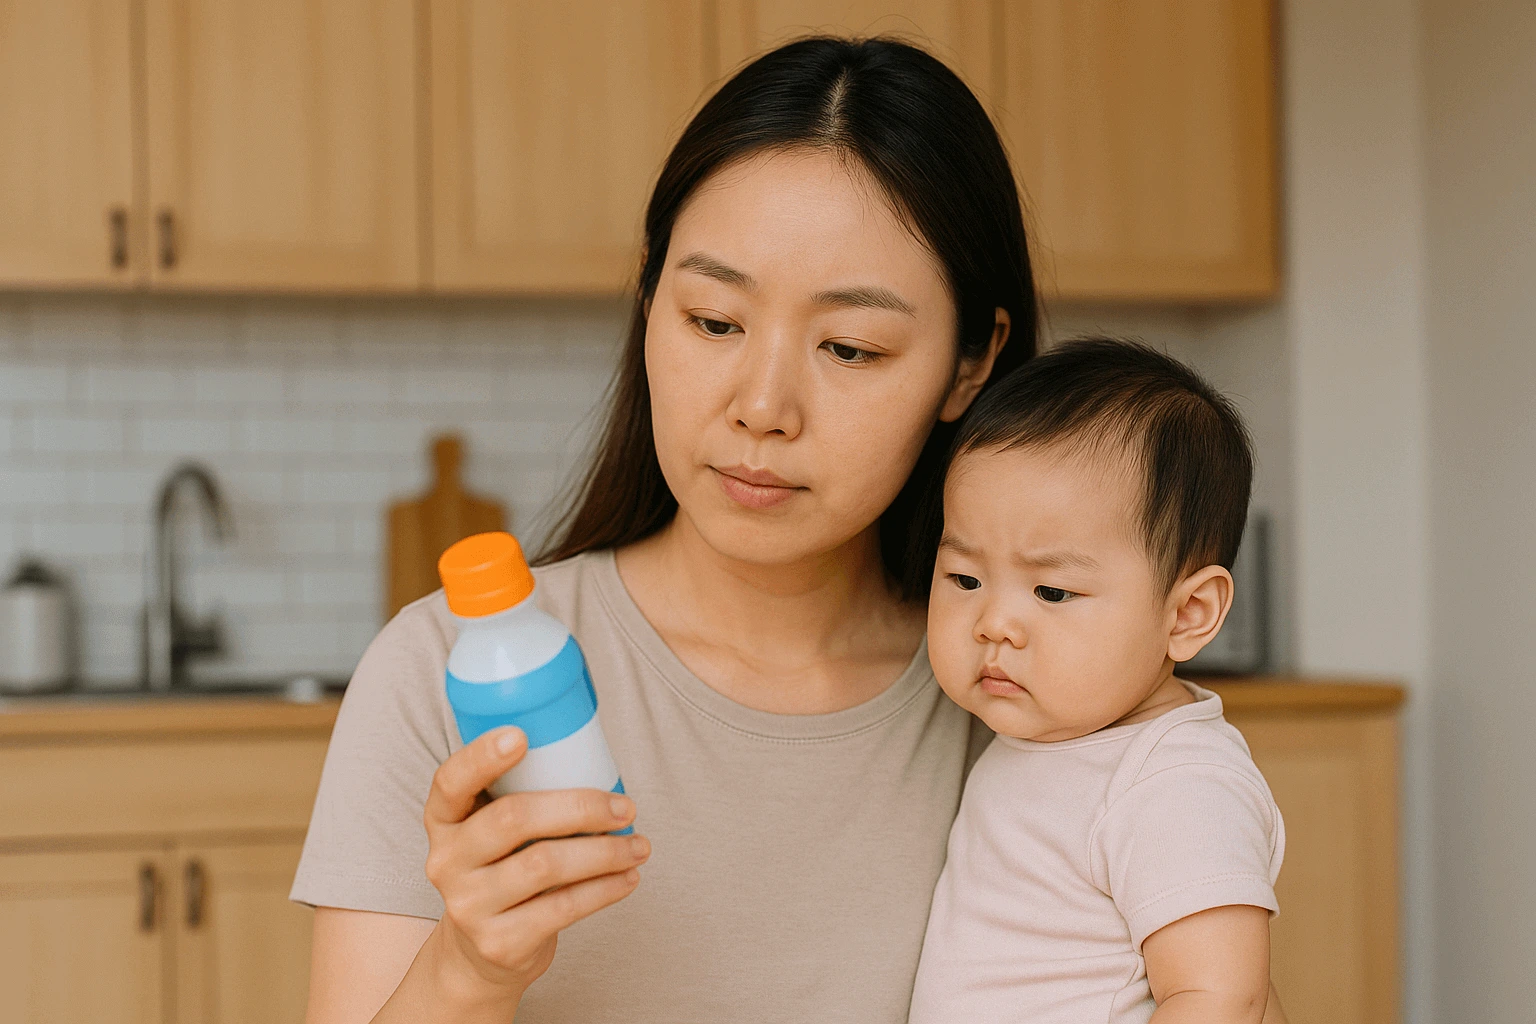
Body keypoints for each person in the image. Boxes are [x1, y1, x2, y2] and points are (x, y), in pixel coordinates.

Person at [296, 36, 1033, 1024]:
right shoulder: (447, 672)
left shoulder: (1019, 704)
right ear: (650, 295)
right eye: (715, 321)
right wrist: (467, 973)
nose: (762, 405)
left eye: (850, 346)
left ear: (970, 364)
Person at [909, 339, 1285, 1023]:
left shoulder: (1176, 783)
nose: (994, 622)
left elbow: (1220, 998)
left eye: (1051, 592)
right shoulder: (1050, 734)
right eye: (965, 578)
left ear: (1188, 614)